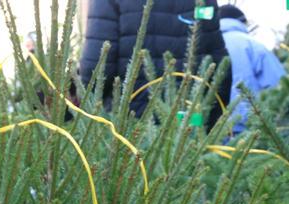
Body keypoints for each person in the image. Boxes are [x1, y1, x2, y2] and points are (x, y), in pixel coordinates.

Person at [79, 0, 231, 120]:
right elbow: (219, 64)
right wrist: (210, 118)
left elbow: (98, 65)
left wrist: (79, 110)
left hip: (130, 121)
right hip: (189, 120)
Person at [218, 5, 285, 133]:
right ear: (242, 22)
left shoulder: (204, 47)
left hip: (211, 132)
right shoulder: (252, 45)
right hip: (249, 130)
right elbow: (279, 85)